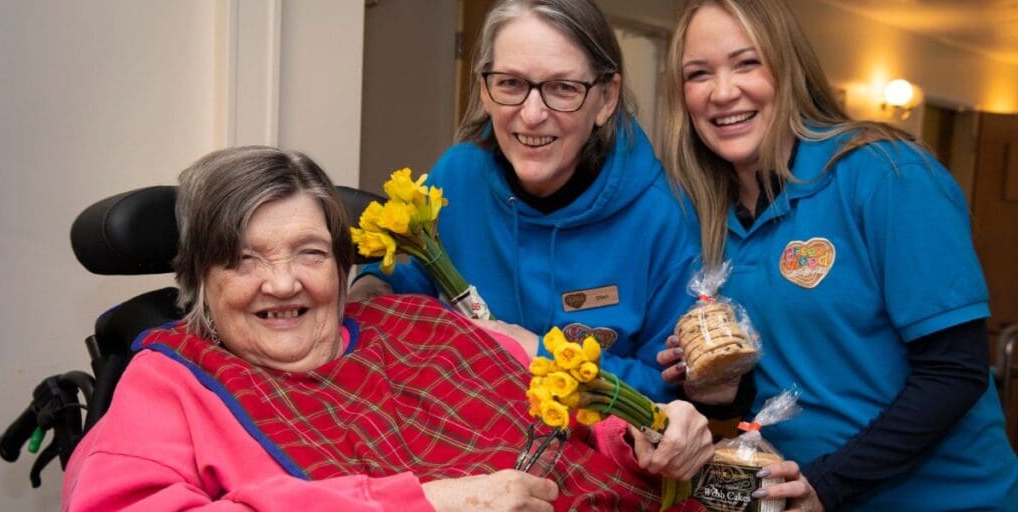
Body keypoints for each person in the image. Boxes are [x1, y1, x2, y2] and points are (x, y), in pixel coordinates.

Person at [61, 146, 717, 511]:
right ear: (201, 277)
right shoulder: (169, 381)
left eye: (310, 253)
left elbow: (578, 418)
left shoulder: (422, 323)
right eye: (243, 259)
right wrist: (424, 504)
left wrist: (648, 434)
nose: (283, 283)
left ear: (344, 265)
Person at [659, 0, 1018, 510]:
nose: (722, 92)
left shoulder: (885, 174)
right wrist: (721, 386)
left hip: (944, 499)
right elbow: (791, 378)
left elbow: (954, 372)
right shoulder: (712, 218)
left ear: (789, 68)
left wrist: (830, 483)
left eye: (747, 63)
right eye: (699, 74)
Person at [348, 0, 742, 408]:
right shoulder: (457, 176)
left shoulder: (663, 216)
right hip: (462, 440)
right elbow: (412, 280)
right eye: (511, 84)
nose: (532, 114)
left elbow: (672, 393)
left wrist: (537, 354)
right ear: (485, 90)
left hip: (603, 458)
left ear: (606, 99)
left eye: (563, 88)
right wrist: (370, 285)